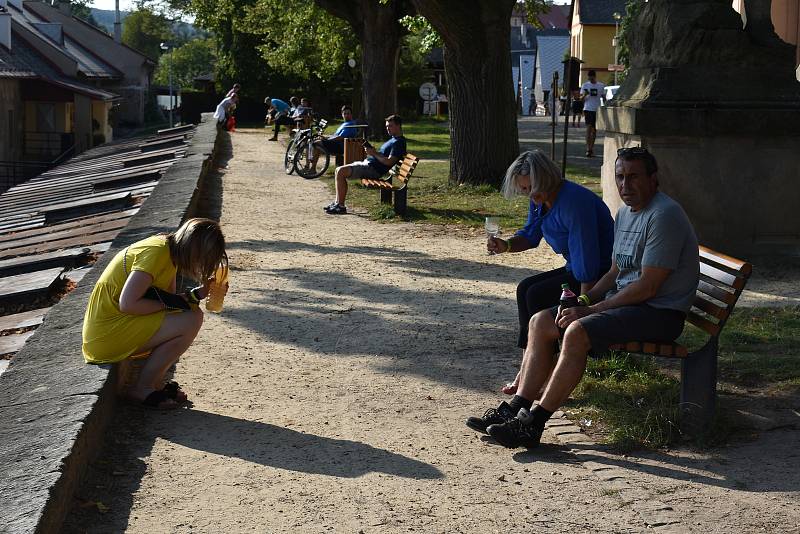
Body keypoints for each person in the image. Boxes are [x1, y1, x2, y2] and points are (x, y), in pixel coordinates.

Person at [482, 148, 699, 449]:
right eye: (620, 177)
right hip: (628, 304)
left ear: (653, 178)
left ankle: (533, 424)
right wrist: (582, 303)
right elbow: (613, 272)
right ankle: (518, 406)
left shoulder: (663, 216)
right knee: (541, 321)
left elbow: (648, 287)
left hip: (659, 313)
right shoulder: (625, 213)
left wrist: (592, 309)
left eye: (634, 177)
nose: (626, 185)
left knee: (577, 331)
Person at [465, 150, 614, 434]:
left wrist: (583, 307)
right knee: (528, 289)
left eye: (531, 188)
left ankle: (527, 380)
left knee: (535, 294)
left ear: (545, 179)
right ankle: (528, 368)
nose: (528, 195)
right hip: (580, 267)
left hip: (600, 275)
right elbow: (531, 236)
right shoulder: (542, 200)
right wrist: (506, 245)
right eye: (523, 189)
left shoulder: (574, 202)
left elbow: (588, 262)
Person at [82, 218, 228, 409]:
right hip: (107, 332)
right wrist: (172, 304)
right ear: (195, 249)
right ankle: (142, 388)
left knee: (190, 316)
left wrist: (200, 293)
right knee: (191, 319)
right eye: (203, 258)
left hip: (114, 327)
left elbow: (166, 300)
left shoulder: (167, 251)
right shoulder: (157, 253)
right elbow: (128, 303)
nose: (200, 263)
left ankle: (153, 384)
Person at [324, 114, 407, 215]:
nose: (388, 129)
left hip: (373, 170)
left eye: (390, 126)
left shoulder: (399, 142)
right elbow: (383, 156)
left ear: (398, 126)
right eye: (386, 126)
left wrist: (374, 153)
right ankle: (337, 203)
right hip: (368, 164)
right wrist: (373, 151)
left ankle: (341, 206)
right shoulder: (393, 139)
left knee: (341, 171)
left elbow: (389, 161)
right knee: (338, 170)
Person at [309, 105, 359, 169]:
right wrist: (326, 138)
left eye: (348, 113)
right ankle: (312, 167)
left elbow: (340, 137)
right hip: (336, 144)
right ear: (342, 115)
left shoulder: (351, 125)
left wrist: (328, 140)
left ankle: (312, 166)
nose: (346, 115)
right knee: (316, 142)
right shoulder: (344, 124)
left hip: (341, 147)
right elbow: (335, 135)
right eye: (344, 113)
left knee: (317, 143)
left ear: (351, 114)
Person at [580, 70, 605, 157]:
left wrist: (604, 107)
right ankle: (588, 149)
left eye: (592, 78)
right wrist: (585, 95)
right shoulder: (585, 85)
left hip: (597, 109)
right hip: (588, 109)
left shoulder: (601, 85)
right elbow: (581, 99)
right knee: (589, 128)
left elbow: (603, 97)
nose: (590, 79)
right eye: (589, 78)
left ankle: (591, 148)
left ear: (595, 77)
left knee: (594, 130)